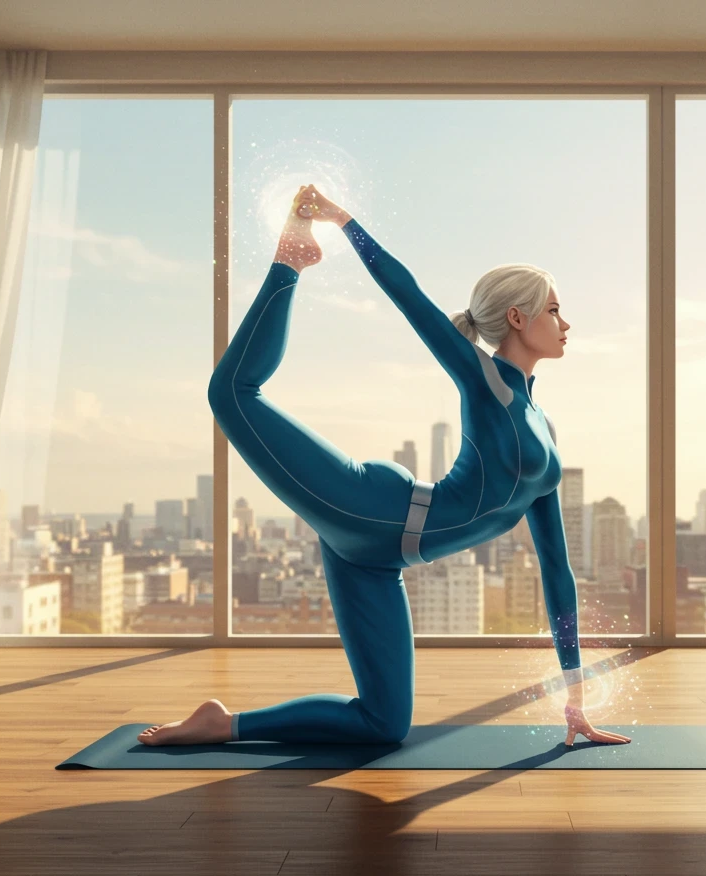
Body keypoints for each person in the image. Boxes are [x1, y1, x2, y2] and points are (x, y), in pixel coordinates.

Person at [138, 184, 630, 749]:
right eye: (554, 309)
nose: (566, 323)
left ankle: (221, 724)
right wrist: (342, 220)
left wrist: (575, 698)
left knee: (384, 725)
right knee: (231, 393)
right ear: (517, 318)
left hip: (377, 560)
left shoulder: (545, 431)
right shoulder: (486, 382)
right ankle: (289, 262)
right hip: (370, 507)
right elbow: (407, 293)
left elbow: (556, 572)